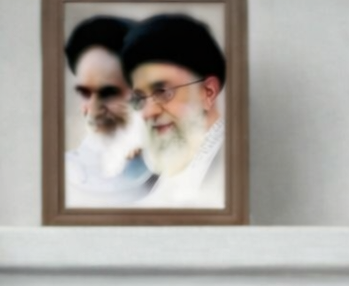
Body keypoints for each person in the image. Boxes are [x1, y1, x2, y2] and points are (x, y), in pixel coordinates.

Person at [120, 14, 227, 209]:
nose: (147, 113)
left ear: (208, 92)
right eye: (140, 99)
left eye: (162, 92)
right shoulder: (153, 168)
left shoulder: (236, 170)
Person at [62, 16, 155, 208]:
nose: (92, 108)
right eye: (85, 92)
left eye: (108, 93)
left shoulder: (174, 172)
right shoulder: (64, 174)